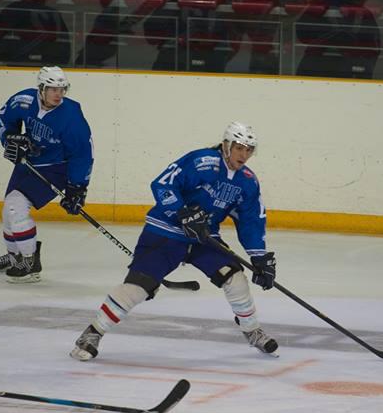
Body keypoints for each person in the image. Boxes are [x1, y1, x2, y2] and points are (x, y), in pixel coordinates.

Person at [70, 121, 278, 361]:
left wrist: (258, 256)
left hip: (203, 238)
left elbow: (251, 220)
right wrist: (181, 212)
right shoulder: (202, 161)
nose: (244, 155)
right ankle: (92, 333)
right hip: (166, 231)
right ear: (226, 145)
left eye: (249, 150)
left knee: (235, 278)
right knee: (138, 287)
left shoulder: (247, 181)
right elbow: (163, 183)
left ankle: (252, 330)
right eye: (239, 148)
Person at [0, 65, 94, 283]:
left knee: (15, 207)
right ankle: (15, 257)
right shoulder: (24, 100)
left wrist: (77, 187)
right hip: (28, 163)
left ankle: (30, 263)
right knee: (9, 211)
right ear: (41, 88)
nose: (59, 94)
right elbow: (2, 119)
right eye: (53, 89)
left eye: (62, 89)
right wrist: (10, 138)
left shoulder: (71, 116)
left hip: (56, 168)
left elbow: (83, 154)